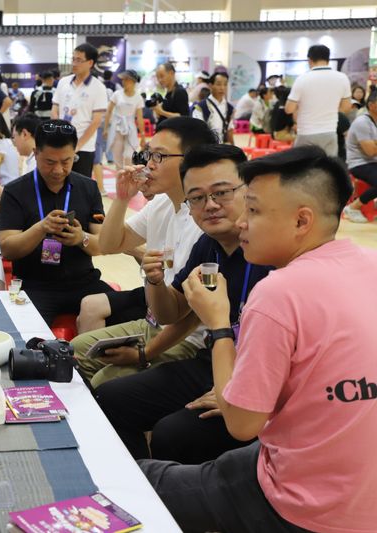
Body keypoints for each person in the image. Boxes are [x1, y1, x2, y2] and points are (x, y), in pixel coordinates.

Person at [140, 146, 377, 533]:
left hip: (305, 506)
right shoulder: (370, 262)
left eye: (253, 210)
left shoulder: (279, 291)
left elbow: (241, 423)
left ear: (302, 220)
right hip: (360, 495)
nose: (242, 222)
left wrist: (217, 323)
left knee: (138, 480)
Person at [96, 144, 272, 466]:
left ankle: (178, 499)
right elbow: (171, 313)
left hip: (259, 375)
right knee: (110, 397)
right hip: (211, 362)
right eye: (197, 198)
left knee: (172, 433)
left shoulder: (273, 251)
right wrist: (154, 281)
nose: (210, 206)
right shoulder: (208, 244)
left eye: (222, 193)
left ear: (248, 191)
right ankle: (141, 486)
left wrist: (243, 392)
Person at [74, 118, 214, 385]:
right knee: (76, 351)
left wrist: (144, 354)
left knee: (106, 380)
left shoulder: (205, 222)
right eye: (148, 153)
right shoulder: (161, 203)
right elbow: (109, 244)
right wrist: (123, 198)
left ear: (191, 161)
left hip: (188, 339)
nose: (148, 163)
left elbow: (185, 318)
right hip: (154, 323)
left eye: (159, 156)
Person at [0, 119, 106, 325]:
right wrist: (41, 228)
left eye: (66, 161)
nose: (58, 170)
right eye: (49, 162)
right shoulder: (15, 191)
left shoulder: (89, 188)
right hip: (35, 286)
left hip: (83, 283)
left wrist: (81, 238)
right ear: (36, 153)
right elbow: (8, 249)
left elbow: (102, 245)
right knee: (24, 338)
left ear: (75, 154)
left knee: (132, 314)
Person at [51, 43, 109, 179]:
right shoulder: (63, 82)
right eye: (73, 59)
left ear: (90, 63)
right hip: (61, 144)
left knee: (79, 188)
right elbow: (54, 110)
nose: (74, 63)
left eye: (79, 60)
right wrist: (58, 131)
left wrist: (77, 145)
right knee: (58, 184)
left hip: (83, 148)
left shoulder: (98, 87)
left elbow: (96, 121)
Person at [286, 44, 351, 156]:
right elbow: (346, 108)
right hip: (330, 132)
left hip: (306, 132)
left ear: (309, 60)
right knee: (327, 169)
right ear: (328, 59)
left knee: (304, 169)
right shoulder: (342, 78)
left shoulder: (302, 79)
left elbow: (289, 109)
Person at [342, 89, 377, 223]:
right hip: (360, 164)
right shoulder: (362, 122)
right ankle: (353, 207)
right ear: (372, 105)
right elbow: (370, 151)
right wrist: (373, 145)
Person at [103, 70, 145, 170]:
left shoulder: (138, 97)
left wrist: (143, 135)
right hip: (117, 127)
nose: (124, 82)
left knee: (128, 156)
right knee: (117, 156)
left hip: (130, 128)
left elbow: (139, 117)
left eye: (127, 79)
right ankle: (119, 181)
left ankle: (128, 180)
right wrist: (105, 128)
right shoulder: (117, 94)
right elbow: (108, 111)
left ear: (133, 81)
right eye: (123, 79)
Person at [192, 72, 234, 144]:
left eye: (225, 84)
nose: (222, 88)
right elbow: (197, 131)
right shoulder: (201, 107)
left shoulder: (229, 108)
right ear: (210, 86)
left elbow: (229, 130)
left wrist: (234, 148)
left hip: (222, 148)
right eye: (218, 84)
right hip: (206, 148)